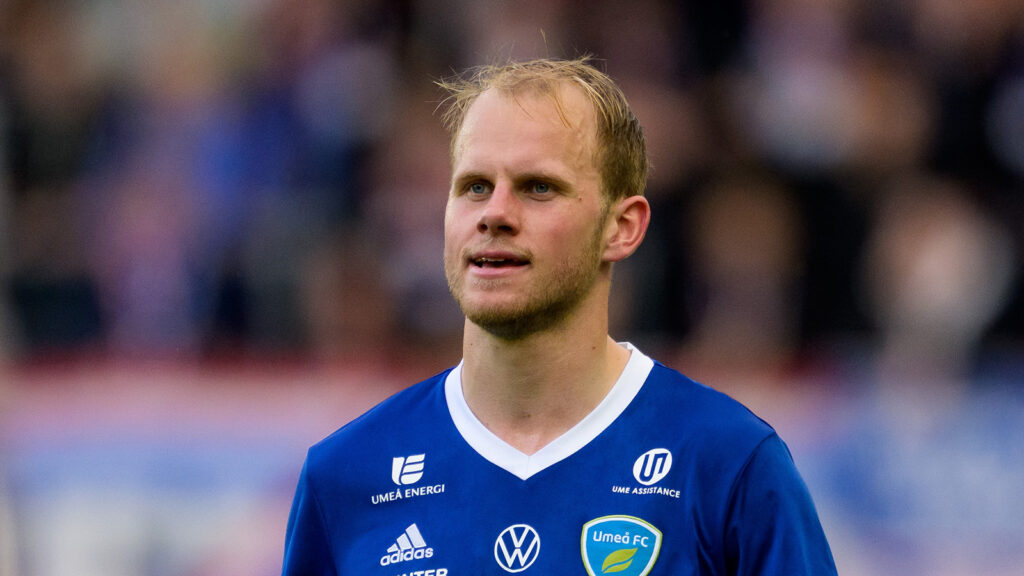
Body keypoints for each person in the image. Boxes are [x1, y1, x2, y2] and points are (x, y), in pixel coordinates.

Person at [281, 57, 837, 576]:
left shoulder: (730, 465)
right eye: (474, 187)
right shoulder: (344, 477)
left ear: (622, 228)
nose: (494, 214)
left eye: (538, 188)